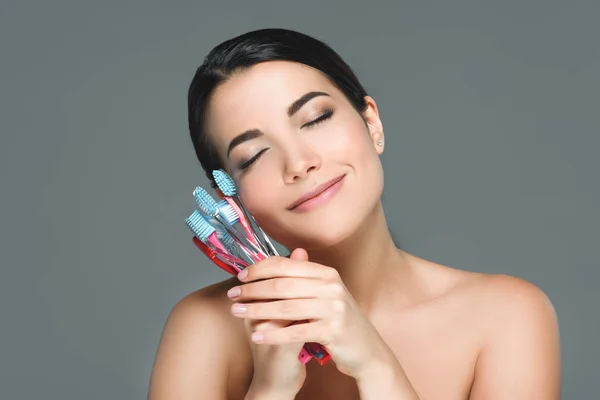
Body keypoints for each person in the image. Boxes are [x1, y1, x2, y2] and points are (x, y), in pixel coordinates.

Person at [148, 28, 561, 399]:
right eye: (254, 155)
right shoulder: (204, 328)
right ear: (231, 195)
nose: (299, 162)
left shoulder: (506, 318)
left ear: (372, 124)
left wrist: (376, 366)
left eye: (315, 118)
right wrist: (271, 389)